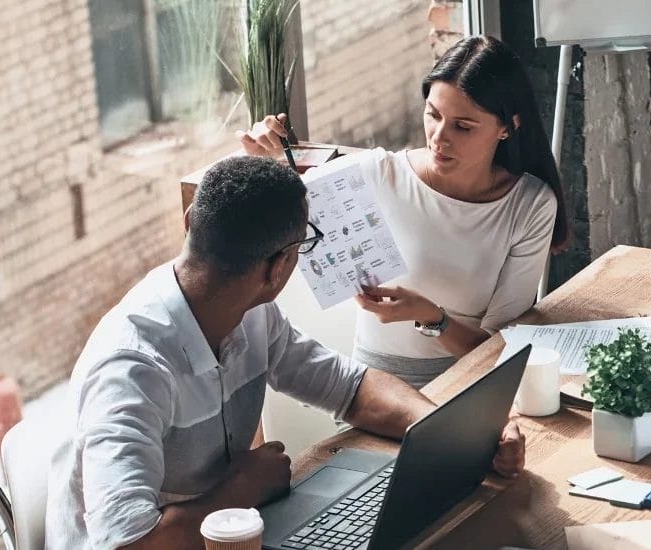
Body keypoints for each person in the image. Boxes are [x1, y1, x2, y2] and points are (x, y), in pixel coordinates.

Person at [44, 157, 526, 549]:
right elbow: (127, 547)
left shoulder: (251, 313)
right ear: (278, 268)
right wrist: (239, 492)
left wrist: (455, 439)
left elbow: (353, 389)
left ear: (191, 221)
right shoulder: (133, 369)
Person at [241, 35, 569, 388]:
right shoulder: (379, 174)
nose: (439, 137)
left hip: (471, 382)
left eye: (463, 126)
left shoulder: (529, 205)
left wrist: (431, 317)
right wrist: (258, 156)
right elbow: (270, 200)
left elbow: (500, 351)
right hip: (373, 385)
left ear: (508, 127)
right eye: (433, 114)